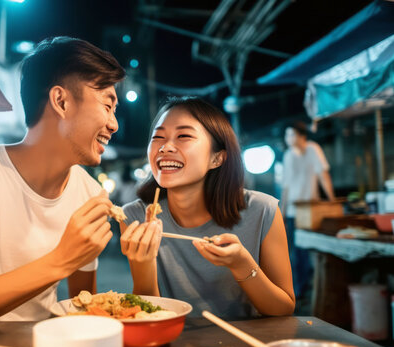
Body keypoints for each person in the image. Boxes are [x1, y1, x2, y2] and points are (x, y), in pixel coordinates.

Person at [0, 36, 125, 323]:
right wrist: (60, 261)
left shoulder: (91, 194)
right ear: (61, 101)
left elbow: (83, 308)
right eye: (107, 105)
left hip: (43, 346)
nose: (113, 124)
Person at [120, 97, 295, 319]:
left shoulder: (262, 210)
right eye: (158, 137)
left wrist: (242, 265)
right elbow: (147, 318)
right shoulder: (135, 217)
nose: (165, 147)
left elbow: (283, 309)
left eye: (183, 136)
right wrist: (143, 264)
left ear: (217, 158)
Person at [281, 121, 335, 299]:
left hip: (311, 211)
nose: (288, 139)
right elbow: (286, 187)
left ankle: (312, 288)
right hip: (293, 212)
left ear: (302, 135)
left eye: (291, 134)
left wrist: (332, 201)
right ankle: (300, 290)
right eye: (287, 135)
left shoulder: (313, 149)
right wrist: (281, 212)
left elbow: (323, 175)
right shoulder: (288, 155)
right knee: (296, 252)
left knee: (313, 249)